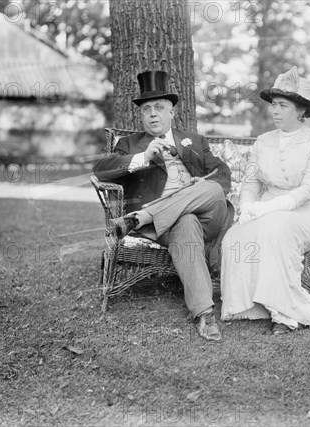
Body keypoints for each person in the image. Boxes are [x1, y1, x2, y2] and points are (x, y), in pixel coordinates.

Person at [93, 70, 233, 342]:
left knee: (211, 188)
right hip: (167, 226)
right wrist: (143, 157)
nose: (153, 114)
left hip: (209, 215)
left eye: (159, 107)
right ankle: (204, 314)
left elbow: (222, 174)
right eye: (147, 109)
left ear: (172, 112)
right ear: (141, 115)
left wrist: (199, 185)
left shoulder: (195, 142)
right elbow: (101, 171)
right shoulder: (129, 144)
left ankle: (139, 218)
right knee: (186, 222)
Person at [220, 66, 310, 335]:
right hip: (264, 213)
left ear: (301, 110)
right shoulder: (262, 142)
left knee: (275, 229)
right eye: (274, 105)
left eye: (283, 105)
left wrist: (267, 208)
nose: (275, 111)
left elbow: (309, 189)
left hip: (305, 216)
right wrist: (247, 207)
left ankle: (290, 314)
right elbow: (251, 182)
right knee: (233, 238)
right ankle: (253, 305)